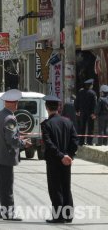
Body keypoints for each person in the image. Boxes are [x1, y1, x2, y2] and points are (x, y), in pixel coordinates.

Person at [0, 89, 31, 220]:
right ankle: (8, 213)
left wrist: (19, 135)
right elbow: (11, 140)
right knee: (6, 186)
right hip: (5, 157)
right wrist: (24, 143)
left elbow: (2, 134)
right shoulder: (10, 118)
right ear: (15, 104)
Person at [41, 95, 78, 223]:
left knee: (55, 188)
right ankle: (68, 215)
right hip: (66, 160)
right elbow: (75, 141)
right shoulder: (68, 122)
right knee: (66, 187)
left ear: (47, 108)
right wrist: (68, 156)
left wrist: (61, 156)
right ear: (59, 107)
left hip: (54, 160)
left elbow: (48, 143)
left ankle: (58, 216)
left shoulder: (46, 124)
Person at [75, 79, 97, 145]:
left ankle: (81, 142)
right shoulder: (93, 93)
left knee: (82, 127)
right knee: (90, 127)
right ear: (90, 86)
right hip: (90, 113)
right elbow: (94, 104)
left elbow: (76, 102)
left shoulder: (80, 92)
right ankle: (89, 142)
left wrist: (77, 110)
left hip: (82, 112)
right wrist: (94, 113)